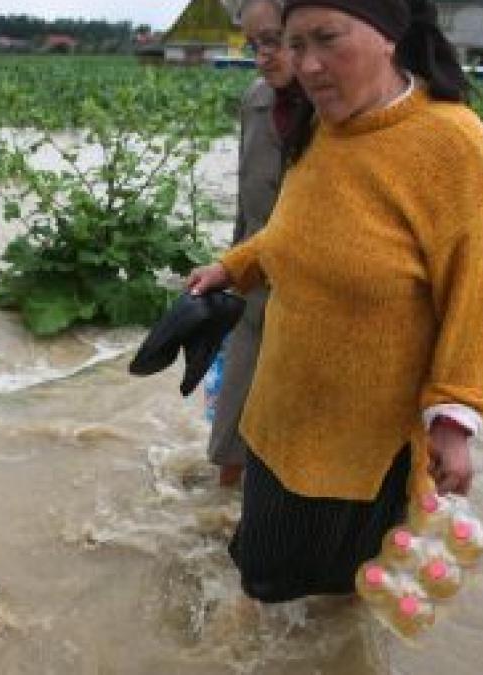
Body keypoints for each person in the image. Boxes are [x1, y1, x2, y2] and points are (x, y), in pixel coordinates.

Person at [186, 0, 483, 603]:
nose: (307, 65)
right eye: (294, 43)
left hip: (356, 452)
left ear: (390, 37)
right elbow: (296, 229)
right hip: (277, 417)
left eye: (327, 40)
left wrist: (453, 420)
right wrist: (232, 268)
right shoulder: (323, 126)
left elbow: (479, 300)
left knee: (327, 607)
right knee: (259, 582)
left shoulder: (456, 150)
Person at [209, 0, 307, 489]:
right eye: (255, 45)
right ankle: (217, 517)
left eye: (274, 40)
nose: (265, 56)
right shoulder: (257, 100)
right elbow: (248, 204)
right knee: (232, 418)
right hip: (255, 283)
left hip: (310, 297)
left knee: (292, 437)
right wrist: (230, 273)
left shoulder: (336, 110)